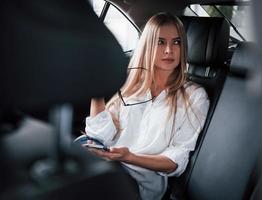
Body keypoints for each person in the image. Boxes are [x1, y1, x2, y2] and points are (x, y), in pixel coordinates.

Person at [84, 12, 210, 200]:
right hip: (109, 169)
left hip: (141, 182)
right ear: (147, 45)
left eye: (176, 42)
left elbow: (176, 161)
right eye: (160, 42)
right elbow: (99, 137)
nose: (169, 50)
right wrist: (96, 92)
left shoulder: (194, 97)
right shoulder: (131, 87)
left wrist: (128, 157)